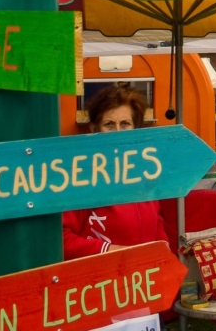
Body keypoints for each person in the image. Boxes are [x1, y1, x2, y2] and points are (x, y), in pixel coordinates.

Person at [63, 86, 169, 258]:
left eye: (125, 124)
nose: (118, 132)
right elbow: (61, 240)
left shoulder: (144, 173)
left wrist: (163, 256)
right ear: (94, 128)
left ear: (136, 128)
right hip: (100, 280)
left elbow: (157, 223)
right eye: (109, 124)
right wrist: (110, 252)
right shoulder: (80, 176)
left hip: (144, 278)